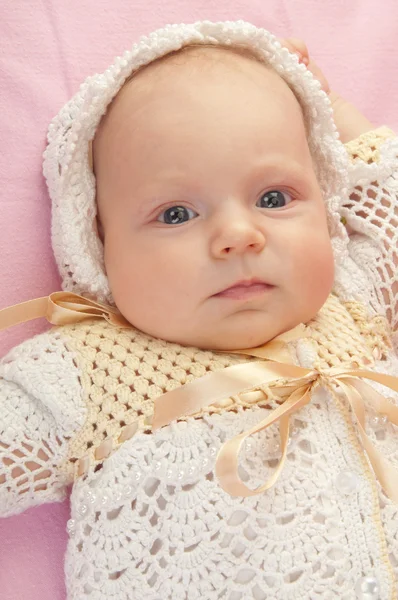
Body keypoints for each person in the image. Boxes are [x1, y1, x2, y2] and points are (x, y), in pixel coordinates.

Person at [1, 19, 398, 600]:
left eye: (273, 198)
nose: (238, 235)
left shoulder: (351, 307)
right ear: (96, 246)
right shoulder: (92, 373)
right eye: (177, 214)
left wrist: (334, 111)